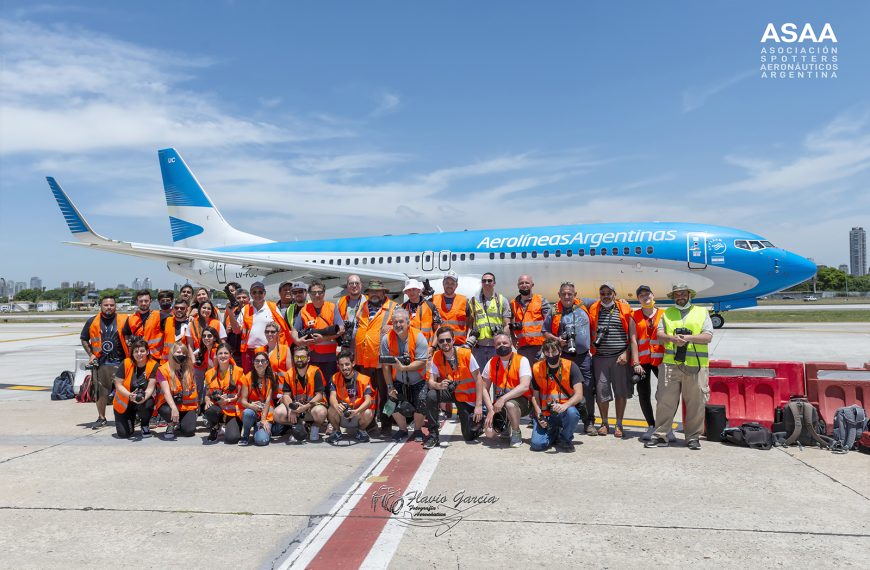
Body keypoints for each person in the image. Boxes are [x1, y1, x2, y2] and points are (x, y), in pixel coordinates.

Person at [645, 284, 713, 451]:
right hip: (671, 365)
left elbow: (708, 336)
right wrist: (673, 339)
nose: (680, 296)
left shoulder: (702, 312)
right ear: (673, 297)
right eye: (677, 294)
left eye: (683, 293)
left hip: (695, 366)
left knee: (695, 403)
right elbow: (659, 335)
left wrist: (688, 338)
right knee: (664, 401)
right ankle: (660, 435)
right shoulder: (667, 313)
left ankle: (693, 437)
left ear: (689, 295)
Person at [588, 282, 638, 438]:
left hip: (619, 358)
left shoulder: (624, 309)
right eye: (602, 293)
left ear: (615, 294)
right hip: (600, 358)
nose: (605, 296)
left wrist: (627, 353)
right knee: (602, 392)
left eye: (609, 293)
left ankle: (619, 423)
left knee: (620, 392)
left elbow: (632, 336)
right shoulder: (593, 309)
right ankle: (604, 423)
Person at [543, 282, 594, 434]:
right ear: (559, 295)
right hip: (564, 357)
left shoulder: (585, 304)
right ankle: (563, 420)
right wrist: (557, 339)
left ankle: (588, 421)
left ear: (575, 295)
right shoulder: (553, 311)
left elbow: (603, 301)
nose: (567, 296)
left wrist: (622, 301)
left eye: (570, 294)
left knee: (588, 389)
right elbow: (544, 331)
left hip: (584, 357)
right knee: (563, 389)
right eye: (563, 294)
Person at [425, 327, 486, 448]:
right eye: (441, 341)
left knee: (468, 436)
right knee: (431, 395)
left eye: (448, 340)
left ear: (453, 340)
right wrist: (438, 385)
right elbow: (430, 382)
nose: (445, 343)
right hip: (450, 392)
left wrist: (479, 405)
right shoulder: (437, 356)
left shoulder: (466, 354)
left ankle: (480, 423)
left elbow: (479, 379)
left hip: (466, 396)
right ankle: (433, 435)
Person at [380, 308, 429, 443]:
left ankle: (418, 429)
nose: (398, 325)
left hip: (418, 379)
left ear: (408, 323)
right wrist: (390, 387)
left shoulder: (418, 336)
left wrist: (404, 367)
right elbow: (385, 366)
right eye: (395, 322)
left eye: (401, 321)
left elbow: (422, 362)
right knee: (390, 403)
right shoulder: (386, 339)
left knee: (422, 400)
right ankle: (402, 429)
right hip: (398, 380)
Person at [353, 280, 396, 436]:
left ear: (384, 293)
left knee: (386, 396)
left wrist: (392, 327)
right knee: (366, 395)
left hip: (382, 361)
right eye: (372, 291)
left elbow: (405, 325)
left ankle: (386, 426)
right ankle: (370, 426)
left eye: (378, 291)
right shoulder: (362, 307)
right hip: (363, 361)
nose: (375, 294)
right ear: (368, 293)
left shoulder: (393, 307)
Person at [80, 295, 128, 428]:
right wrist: (91, 354)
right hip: (101, 364)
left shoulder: (124, 320)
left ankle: (126, 416)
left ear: (115, 306)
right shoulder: (92, 321)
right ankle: (101, 417)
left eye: (112, 305)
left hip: (121, 362)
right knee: (101, 392)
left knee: (124, 391)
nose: (109, 307)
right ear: (101, 306)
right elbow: (84, 338)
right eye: (106, 305)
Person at [529, 339, 585, 451]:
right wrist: (539, 415)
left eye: (553, 352)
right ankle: (554, 432)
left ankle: (565, 439)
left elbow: (579, 395)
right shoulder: (536, 368)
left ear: (560, 352)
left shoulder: (570, 366)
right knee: (537, 445)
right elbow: (534, 396)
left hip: (564, 411)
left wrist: (565, 406)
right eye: (547, 352)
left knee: (572, 413)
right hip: (545, 414)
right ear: (543, 353)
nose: (550, 355)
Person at [481, 333, 533, 448]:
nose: (501, 346)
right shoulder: (492, 362)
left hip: (522, 402)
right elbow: (484, 388)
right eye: (498, 344)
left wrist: (503, 399)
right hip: (500, 404)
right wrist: (490, 409)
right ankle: (506, 424)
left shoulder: (522, 360)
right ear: (494, 346)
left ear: (510, 344)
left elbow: (525, 386)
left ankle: (516, 432)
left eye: (505, 343)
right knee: (489, 433)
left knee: (510, 405)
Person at [272, 344, 327, 442]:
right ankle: (299, 426)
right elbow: (286, 395)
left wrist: (305, 407)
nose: (299, 359)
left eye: (302, 357)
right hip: (296, 408)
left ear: (308, 358)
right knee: (277, 413)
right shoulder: (289, 373)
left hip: (312, 407)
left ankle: (315, 426)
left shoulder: (315, 371)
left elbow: (319, 395)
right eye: (297, 357)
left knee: (321, 413)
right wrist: (291, 409)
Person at [232, 281, 290, 373]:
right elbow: (236, 330)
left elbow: (281, 328)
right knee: (250, 380)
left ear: (264, 293)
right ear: (251, 294)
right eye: (254, 292)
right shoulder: (245, 309)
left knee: (269, 378)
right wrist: (230, 312)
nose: (257, 294)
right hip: (249, 352)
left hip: (268, 351)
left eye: (260, 292)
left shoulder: (272, 307)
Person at [292, 280, 344, 381]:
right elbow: (294, 330)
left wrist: (324, 338)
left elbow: (341, 329)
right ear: (309, 295)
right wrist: (298, 341)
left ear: (324, 293)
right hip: (311, 358)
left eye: (320, 292)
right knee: (314, 388)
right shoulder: (304, 310)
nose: (317, 295)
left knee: (329, 388)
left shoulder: (332, 307)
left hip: (329, 359)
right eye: (314, 293)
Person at [631, 285, 664, 439]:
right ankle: (651, 425)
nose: (645, 297)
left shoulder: (664, 314)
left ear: (652, 294)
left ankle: (665, 425)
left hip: (660, 360)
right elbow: (634, 341)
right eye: (641, 295)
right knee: (644, 394)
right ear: (638, 299)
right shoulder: (634, 316)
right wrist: (636, 363)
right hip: (643, 362)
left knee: (666, 394)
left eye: (647, 294)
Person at [112, 338, 158, 439]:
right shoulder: (126, 363)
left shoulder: (153, 365)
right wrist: (129, 395)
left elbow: (151, 388)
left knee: (148, 403)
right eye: (136, 351)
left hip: (142, 401)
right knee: (124, 434)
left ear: (147, 352)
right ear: (132, 353)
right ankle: (132, 418)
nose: (139, 354)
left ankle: (144, 424)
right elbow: (118, 384)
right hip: (125, 402)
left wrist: (143, 398)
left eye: (142, 351)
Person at [326, 350, 374, 444]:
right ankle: (337, 431)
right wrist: (336, 406)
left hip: (357, 413)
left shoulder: (364, 379)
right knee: (331, 409)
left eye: (347, 364)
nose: (344, 368)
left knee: (368, 412)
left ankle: (361, 431)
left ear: (353, 363)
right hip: (342, 414)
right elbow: (332, 396)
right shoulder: (335, 378)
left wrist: (357, 411)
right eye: (341, 365)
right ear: (338, 365)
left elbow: (368, 401)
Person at [203, 343, 245, 444]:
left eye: (226, 353)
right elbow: (207, 394)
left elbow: (242, 395)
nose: (223, 355)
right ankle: (215, 427)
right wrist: (207, 400)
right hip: (218, 409)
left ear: (230, 355)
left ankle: (229, 425)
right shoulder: (209, 373)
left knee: (232, 439)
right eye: (220, 353)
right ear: (216, 356)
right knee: (209, 410)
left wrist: (229, 400)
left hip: (233, 410)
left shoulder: (238, 371)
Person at [155, 343, 199, 439]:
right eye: (178, 352)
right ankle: (171, 424)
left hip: (187, 406)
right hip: (169, 405)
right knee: (167, 410)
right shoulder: (163, 369)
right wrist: (174, 408)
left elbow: (194, 388)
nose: (181, 355)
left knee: (189, 432)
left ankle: (179, 422)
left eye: (184, 353)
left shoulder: (190, 369)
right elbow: (166, 392)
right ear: (172, 353)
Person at [467, 272, 511, 366]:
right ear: (481, 283)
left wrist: (503, 339)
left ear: (494, 283)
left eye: (489, 281)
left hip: (496, 346)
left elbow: (507, 324)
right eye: (484, 281)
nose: (487, 283)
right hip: (479, 347)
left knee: (498, 376)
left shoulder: (502, 300)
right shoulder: (473, 301)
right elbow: (469, 323)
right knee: (480, 376)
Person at [238, 353, 277, 446]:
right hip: (252, 411)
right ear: (254, 363)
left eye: (263, 361)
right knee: (247, 412)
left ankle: (258, 428)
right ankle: (246, 435)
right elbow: (243, 401)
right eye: (257, 361)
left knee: (261, 441)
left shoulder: (272, 376)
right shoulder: (247, 377)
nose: (260, 363)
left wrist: (263, 419)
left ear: (267, 363)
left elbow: (268, 399)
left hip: (266, 412)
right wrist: (252, 406)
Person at [510, 274, 551, 363]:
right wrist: (513, 338)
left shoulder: (541, 301)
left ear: (532, 285)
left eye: (527, 283)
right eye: (521, 283)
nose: (524, 285)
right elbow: (510, 324)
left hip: (539, 346)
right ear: (518, 286)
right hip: (522, 347)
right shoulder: (513, 303)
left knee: (540, 373)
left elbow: (549, 323)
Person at [122, 289, 163, 360]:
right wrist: (129, 343)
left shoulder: (159, 316)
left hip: (155, 358)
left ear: (150, 301)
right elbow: (126, 334)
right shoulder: (131, 318)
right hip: (138, 357)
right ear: (137, 302)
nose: (143, 303)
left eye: (146, 301)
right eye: (141, 301)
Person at [432, 271, 470, 346]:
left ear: (456, 285)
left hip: (459, 345)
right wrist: (423, 294)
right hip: (440, 344)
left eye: (452, 283)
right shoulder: (434, 300)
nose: (449, 286)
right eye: (447, 283)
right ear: (443, 283)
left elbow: (469, 322)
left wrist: (468, 340)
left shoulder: (464, 301)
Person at [402, 279, 441, 346]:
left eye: (414, 289)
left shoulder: (431, 306)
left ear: (419, 290)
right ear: (406, 292)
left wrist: (433, 347)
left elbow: (438, 328)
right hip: (408, 348)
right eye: (409, 290)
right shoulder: (401, 308)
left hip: (427, 348)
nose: (411, 292)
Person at [191, 325, 220, 405]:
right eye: (204, 336)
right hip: (213, 378)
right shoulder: (207, 349)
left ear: (214, 338)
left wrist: (207, 387)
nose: (206, 338)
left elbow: (215, 372)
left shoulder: (217, 350)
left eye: (209, 336)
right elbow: (210, 371)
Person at [337, 275, 365, 357]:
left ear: (361, 285)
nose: (354, 285)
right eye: (351, 283)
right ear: (347, 286)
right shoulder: (341, 301)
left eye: (357, 283)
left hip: (362, 348)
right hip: (346, 347)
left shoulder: (367, 301)